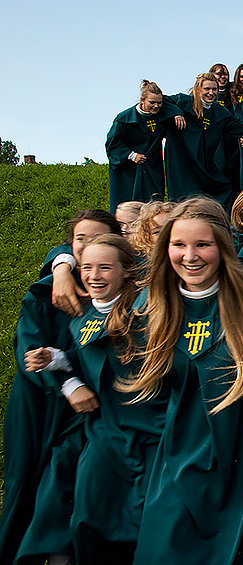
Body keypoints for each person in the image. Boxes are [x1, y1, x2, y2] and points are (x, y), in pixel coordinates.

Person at [118, 197, 243, 564]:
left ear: (223, 246)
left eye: (203, 244)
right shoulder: (151, 308)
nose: (190, 256)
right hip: (181, 461)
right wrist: (63, 260)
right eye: (178, 244)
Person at [25, 234, 164, 563]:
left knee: (145, 514)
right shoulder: (83, 319)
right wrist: (59, 362)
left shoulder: (145, 310)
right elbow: (87, 360)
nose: (94, 275)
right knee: (91, 503)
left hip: (149, 428)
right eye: (86, 267)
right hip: (106, 428)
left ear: (126, 271)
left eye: (105, 268)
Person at [0, 210, 120, 564]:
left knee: (66, 479)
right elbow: (28, 349)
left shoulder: (116, 289)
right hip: (39, 399)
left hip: (90, 408)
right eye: (80, 240)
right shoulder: (45, 290)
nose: (86, 247)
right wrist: (67, 384)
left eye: (97, 240)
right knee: (24, 479)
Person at [164, 72, 243, 209]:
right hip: (182, 163)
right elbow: (162, 101)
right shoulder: (183, 101)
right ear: (198, 89)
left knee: (223, 187)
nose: (211, 93)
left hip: (204, 163)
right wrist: (176, 112)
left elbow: (237, 125)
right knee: (185, 200)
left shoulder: (219, 111)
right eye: (207, 89)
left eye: (214, 89)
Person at [106, 79, 184, 211]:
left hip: (152, 167)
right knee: (128, 207)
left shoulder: (162, 115)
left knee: (153, 205)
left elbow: (173, 102)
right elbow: (112, 144)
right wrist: (131, 155)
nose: (156, 106)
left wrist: (177, 113)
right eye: (152, 102)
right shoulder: (124, 118)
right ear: (142, 100)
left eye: (159, 103)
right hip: (129, 169)